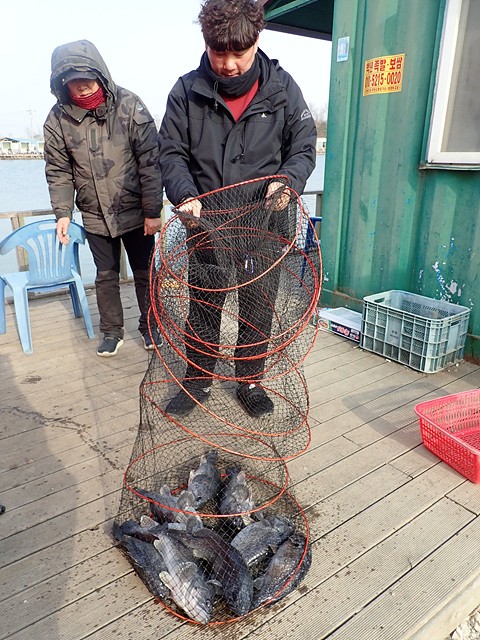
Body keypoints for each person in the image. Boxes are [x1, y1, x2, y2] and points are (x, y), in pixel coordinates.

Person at [158, 0, 317, 417]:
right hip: (206, 223)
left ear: (256, 42)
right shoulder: (186, 91)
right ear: (205, 44)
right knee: (204, 306)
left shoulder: (283, 89)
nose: (228, 64)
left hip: (265, 223)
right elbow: (170, 153)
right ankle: (198, 379)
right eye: (218, 52)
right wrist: (184, 194)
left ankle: (250, 381)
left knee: (258, 306)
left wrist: (287, 182)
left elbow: (303, 148)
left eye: (239, 53)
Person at [43, 40, 163, 357]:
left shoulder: (129, 105)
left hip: (136, 211)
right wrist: (63, 213)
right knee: (105, 276)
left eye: (86, 78)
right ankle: (111, 332)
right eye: (73, 81)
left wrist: (153, 210)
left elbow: (151, 161)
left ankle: (151, 327)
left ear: (99, 74)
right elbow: (58, 170)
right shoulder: (57, 119)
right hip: (95, 214)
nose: (81, 86)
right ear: (63, 83)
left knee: (145, 273)